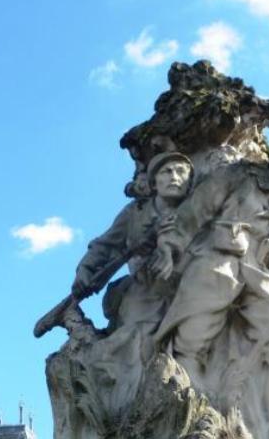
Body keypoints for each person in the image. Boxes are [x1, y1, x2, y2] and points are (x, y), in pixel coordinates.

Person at [149, 136, 269, 439]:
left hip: (258, 276)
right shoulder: (240, 175)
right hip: (217, 262)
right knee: (190, 342)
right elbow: (196, 209)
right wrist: (170, 248)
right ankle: (196, 420)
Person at [71, 151, 194, 413]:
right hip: (146, 290)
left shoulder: (199, 209)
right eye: (166, 171)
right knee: (137, 342)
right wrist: (85, 269)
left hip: (190, 287)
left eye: (181, 171)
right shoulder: (134, 214)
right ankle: (141, 412)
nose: (174, 177)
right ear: (154, 182)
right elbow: (105, 245)